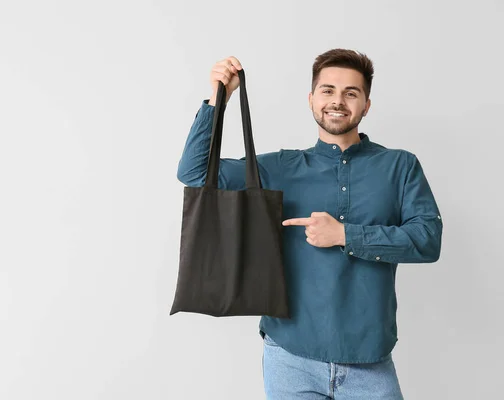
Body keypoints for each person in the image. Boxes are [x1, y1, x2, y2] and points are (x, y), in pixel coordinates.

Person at [176, 49, 443, 399]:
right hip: (290, 358)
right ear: (311, 99)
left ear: (366, 105)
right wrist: (218, 97)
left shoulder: (400, 167)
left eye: (351, 93)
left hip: (369, 360)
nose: (338, 101)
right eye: (328, 90)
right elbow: (194, 174)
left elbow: (427, 240)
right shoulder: (282, 166)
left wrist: (345, 235)